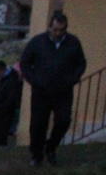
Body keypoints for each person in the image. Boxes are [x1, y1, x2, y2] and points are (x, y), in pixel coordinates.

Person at [20, 10, 86, 166]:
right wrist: (34, 81)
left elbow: (81, 63)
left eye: (62, 30)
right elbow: (25, 63)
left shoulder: (73, 42)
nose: (58, 33)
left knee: (63, 120)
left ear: (66, 28)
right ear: (50, 27)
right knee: (38, 124)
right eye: (55, 29)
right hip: (41, 91)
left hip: (63, 91)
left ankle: (51, 147)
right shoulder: (37, 42)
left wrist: (72, 79)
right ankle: (36, 155)